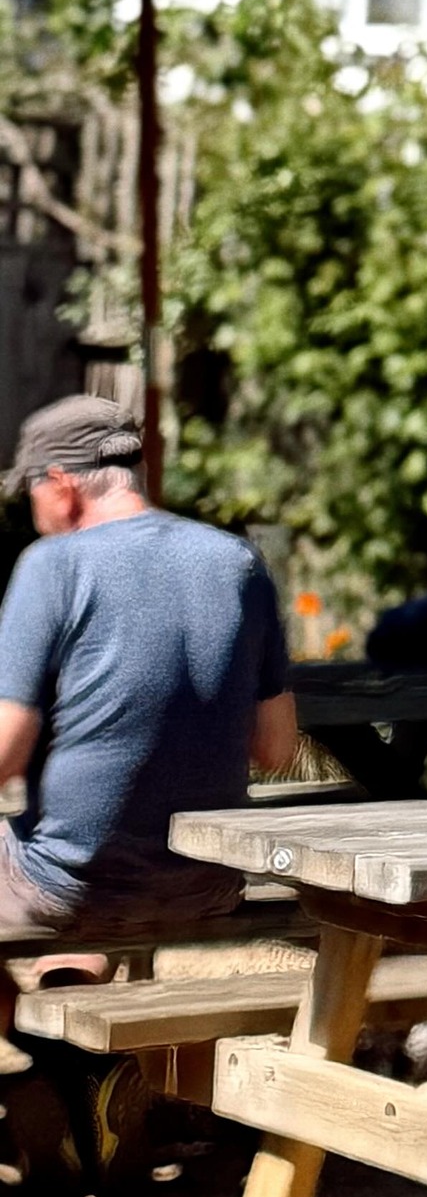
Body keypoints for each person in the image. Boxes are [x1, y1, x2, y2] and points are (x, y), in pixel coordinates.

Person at [0, 396, 298, 993]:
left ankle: (30, 1043)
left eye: (30, 491)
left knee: (59, 867)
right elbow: (277, 749)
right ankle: (70, 1006)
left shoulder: (52, 564)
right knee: (101, 878)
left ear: (61, 484)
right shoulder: (239, 562)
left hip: (71, 888)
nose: (31, 511)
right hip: (207, 883)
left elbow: (4, 754)